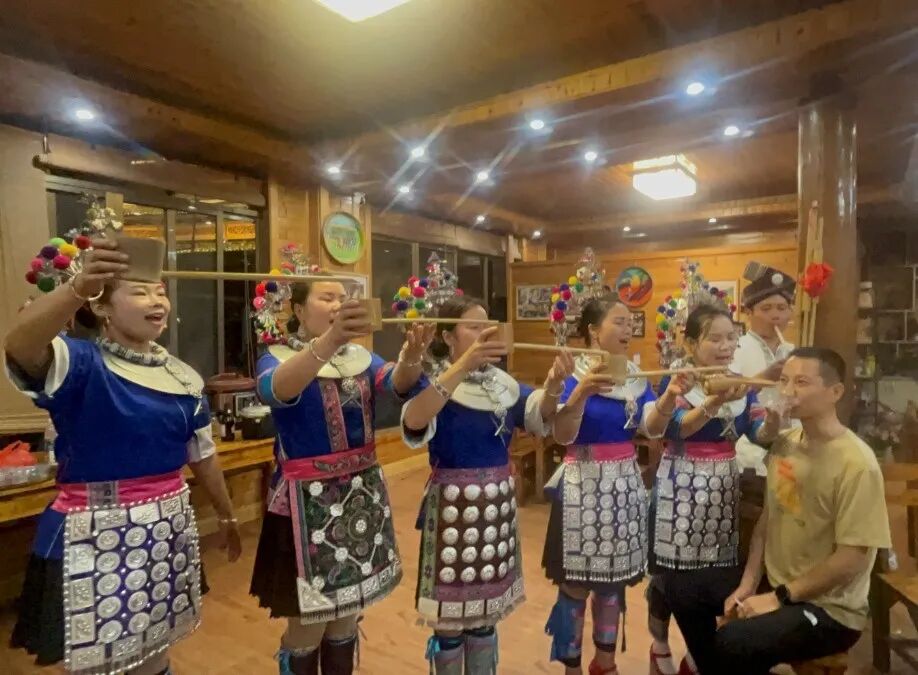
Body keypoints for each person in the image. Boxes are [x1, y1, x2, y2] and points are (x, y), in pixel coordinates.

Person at [5, 237, 241, 675]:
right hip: (93, 534)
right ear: (102, 307)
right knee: (100, 663)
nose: (157, 301)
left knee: (155, 652)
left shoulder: (183, 376)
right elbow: (20, 346)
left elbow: (202, 456)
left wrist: (226, 515)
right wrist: (77, 288)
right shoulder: (79, 363)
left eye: (161, 292)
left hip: (167, 530)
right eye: (140, 292)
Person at [249, 276, 432, 674]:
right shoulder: (276, 357)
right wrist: (330, 341)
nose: (338, 304)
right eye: (327, 297)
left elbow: (394, 384)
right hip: (304, 507)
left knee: (346, 616)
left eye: (343, 298)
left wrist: (412, 358)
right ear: (299, 310)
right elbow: (273, 390)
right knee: (309, 623)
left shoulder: (361, 358)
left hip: (359, 498)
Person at [402, 295, 571, 675]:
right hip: (452, 509)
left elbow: (539, 415)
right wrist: (462, 366)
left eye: (488, 326)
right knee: (449, 618)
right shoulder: (431, 382)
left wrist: (554, 385)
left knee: (484, 617)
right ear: (448, 336)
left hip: (496, 508)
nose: (485, 333)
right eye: (473, 327)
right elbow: (414, 421)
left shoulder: (502, 384)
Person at [715, 348, 891, 673]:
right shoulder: (786, 442)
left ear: (835, 392)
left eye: (801, 382)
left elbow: (852, 558)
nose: (787, 391)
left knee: (734, 641)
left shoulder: (857, 464)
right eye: (783, 381)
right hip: (779, 584)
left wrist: (778, 598)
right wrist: (749, 584)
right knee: (691, 590)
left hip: (829, 609)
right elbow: (768, 520)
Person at [543, 297, 683, 675]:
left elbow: (650, 428)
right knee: (575, 585)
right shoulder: (570, 372)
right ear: (593, 330)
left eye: (630, 322)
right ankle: (571, 666)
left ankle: (604, 663)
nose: (628, 329)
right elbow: (561, 435)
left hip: (623, 487)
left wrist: (669, 398)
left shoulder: (635, 375)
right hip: (581, 485)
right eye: (619, 322)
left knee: (612, 582)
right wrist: (581, 393)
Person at [647, 305, 766, 675]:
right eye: (715, 338)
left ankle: (696, 656)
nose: (725, 345)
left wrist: (776, 419)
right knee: (675, 575)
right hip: (681, 486)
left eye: (731, 337)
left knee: (716, 573)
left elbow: (758, 431)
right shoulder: (679, 383)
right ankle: (665, 646)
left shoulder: (741, 384)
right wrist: (715, 401)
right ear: (691, 343)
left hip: (723, 487)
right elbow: (677, 428)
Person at [731, 263, 796, 474]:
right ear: (749, 312)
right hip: (748, 455)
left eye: (782, 308)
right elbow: (728, 397)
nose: (775, 315)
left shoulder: (795, 353)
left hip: (792, 449)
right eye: (766, 309)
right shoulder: (735, 350)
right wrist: (765, 376)